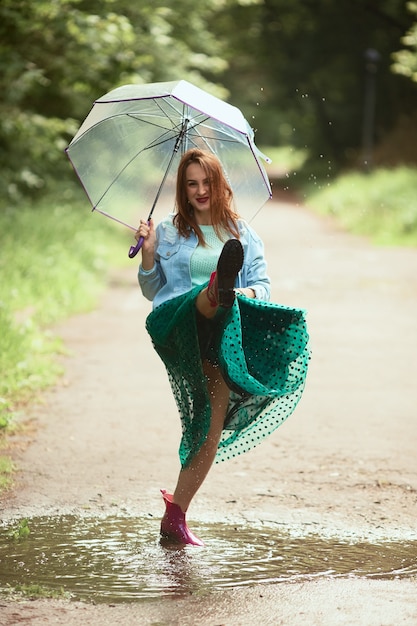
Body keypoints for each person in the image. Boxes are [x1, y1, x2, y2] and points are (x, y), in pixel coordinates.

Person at [136, 148, 310, 547]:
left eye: (206, 182)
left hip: (220, 334)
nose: (200, 191)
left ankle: (175, 514)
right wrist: (148, 256)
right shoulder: (167, 229)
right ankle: (216, 290)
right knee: (204, 296)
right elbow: (151, 290)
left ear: (219, 184)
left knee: (209, 427)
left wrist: (242, 291)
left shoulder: (242, 233)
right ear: (183, 189)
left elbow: (263, 288)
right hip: (177, 324)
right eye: (191, 184)